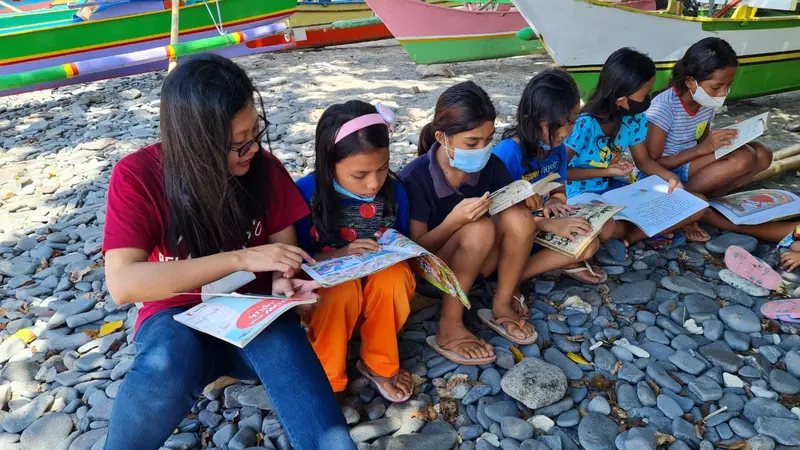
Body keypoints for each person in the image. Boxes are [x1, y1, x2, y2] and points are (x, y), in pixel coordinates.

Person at [101, 54, 354, 450]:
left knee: (283, 342)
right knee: (168, 356)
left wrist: (285, 286)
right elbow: (124, 283)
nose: (252, 148)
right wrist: (241, 258)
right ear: (194, 145)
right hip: (175, 315)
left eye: (255, 132)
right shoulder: (138, 175)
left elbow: (282, 258)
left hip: (252, 313)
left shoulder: (264, 169)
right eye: (238, 144)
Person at [398, 81, 537, 358]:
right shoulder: (415, 178)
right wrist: (454, 222)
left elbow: (511, 218)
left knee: (520, 216)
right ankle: (449, 325)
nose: (482, 150)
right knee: (479, 229)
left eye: (488, 140)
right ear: (442, 137)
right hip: (432, 273)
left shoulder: (491, 166)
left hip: (479, 264)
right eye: (472, 142)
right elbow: (415, 252)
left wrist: (529, 202)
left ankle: (501, 304)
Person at [294, 100, 415, 403]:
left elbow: (402, 242)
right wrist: (340, 255)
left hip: (380, 307)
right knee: (341, 289)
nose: (374, 183)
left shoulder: (395, 193)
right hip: (327, 307)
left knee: (396, 274)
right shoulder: (304, 194)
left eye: (383, 168)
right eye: (360, 175)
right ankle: (328, 379)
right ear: (328, 163)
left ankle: (379, 363)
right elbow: (293, 261)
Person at [565, 47, 707, 252]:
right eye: (644, 94)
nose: (648, 99)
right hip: (580, 194)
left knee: (697, 203)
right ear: (621, 99)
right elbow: (561, 171)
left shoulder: (634, 118)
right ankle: (645, 230)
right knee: (605, 227)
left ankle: (632, 234)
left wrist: (670, 178)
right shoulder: (584, 124)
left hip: (615, 191)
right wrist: (607, 171)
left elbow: (644, 162)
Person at [494, 68, 611, 284]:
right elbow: (495, 216)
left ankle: (516, 275)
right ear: (532, 119)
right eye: (557, 125)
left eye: (572, 121)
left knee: (590, 244)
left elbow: (559, 190)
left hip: (540, 226)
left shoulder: (557, 148)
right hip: (511, 237)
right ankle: (510, 280)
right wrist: (544, 224)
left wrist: (555, 204)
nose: (566, 132)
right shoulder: (509, 152)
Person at [646, 37, 772, 199]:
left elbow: (702, 139)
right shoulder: (663, 107)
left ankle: (710, 197)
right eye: (716, 87)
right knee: (744, 158)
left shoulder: (704, 101)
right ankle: (677, 199)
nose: (723, 93)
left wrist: (722, 140)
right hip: (666, 173)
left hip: (691, 161)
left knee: (763, 153)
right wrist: (702, 149)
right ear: (691, 82)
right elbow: (652, 163)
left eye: (729, 85)